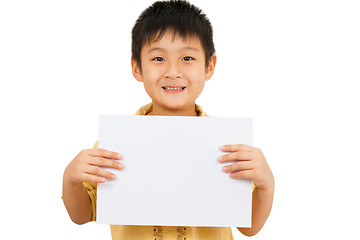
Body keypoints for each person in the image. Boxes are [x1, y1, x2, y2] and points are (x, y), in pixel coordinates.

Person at [62, 0, 275, 239]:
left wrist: (266, 184)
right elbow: (82, 215)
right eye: (158, 59)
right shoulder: (115, 144)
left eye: (187, 58)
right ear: (137, 68)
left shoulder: (228, 145)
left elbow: (249, 227)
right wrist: (70, 178)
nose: (172, 72)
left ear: (209, 66)